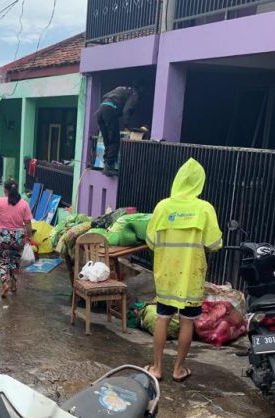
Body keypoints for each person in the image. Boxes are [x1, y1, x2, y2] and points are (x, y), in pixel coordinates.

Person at [145, 158, 222, 383]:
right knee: (187, 322)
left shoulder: (163, 206)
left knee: (162, 318)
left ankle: (157, 368)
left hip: (167, 275)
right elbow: (215, 244)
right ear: (200, 183)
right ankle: (178, 370)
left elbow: (150, 240)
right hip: (191, 277)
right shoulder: (205, 209)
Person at [0, 180, 33, 298]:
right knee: (15, 260)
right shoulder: (24, 204)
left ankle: (5, 283)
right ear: (17, 189)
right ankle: (13, 284)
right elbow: (28, 222)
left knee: (3, 260)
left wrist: (0, 220)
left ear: (5, 190)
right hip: (18, 236)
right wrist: (30, 237)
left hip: (3, 235)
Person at [95, 82, 142, 177]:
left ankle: (106, 165)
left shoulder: (121, 88)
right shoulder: (134, 93)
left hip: (100, 110)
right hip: (109, 110)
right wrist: (126, 125)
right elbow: (127, 110)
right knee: (115, 140)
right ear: (139, 89)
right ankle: (109, 167)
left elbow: (106, 96)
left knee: (107, 140)